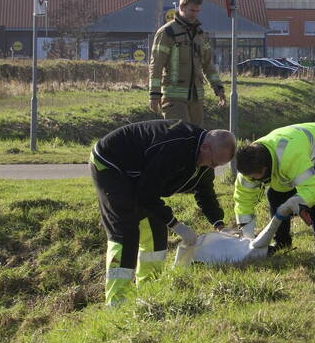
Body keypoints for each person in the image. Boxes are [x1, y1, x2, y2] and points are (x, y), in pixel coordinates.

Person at [91, 120, 236, 306]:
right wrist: (176, 225)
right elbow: (147, 195)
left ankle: (148, 292)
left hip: (141, 174)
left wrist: (219, 224)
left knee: (156, 231)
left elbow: (205, 192)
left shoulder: (204, 160)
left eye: (218, 165)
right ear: (205, 146)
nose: (213, 167)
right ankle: (117, 303)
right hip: (111, 164)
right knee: (126, 232)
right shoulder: (174, 148)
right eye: (214, 162)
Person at [233, 122, 315, 262]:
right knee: (274, 194)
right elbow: (243, 201)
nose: (253, 181)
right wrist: (248, 236)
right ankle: (282, 243)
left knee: (314, 200)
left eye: (255, 178)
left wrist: (297, 202)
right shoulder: (248, 166)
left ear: (265, 169)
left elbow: (311, 189)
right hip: (300, 148)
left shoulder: (290, 156)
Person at [148, 0, 226, 126]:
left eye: (197, 11)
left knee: (196, 136)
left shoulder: (200, 34)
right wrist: (154, 95)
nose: (194, 14)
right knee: (181, 135)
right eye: (191, 10)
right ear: (181, 7)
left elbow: (208, 64)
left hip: (196, 99)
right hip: (173, 99)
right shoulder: (167, 32)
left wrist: (218, 88)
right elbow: (156, 65)